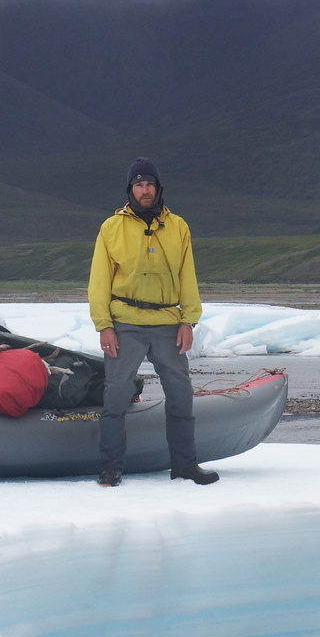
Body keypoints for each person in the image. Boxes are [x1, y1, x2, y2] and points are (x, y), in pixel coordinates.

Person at [87, 156, 218, 487]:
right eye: (139, 184)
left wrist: (188, 320)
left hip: (167, 321)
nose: (145, 191)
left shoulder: (178, 227)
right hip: (124, 322)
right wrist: (104, 324)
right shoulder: (111, 228)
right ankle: (111, 468)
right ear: (130, 189)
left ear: (159, 188)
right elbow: (99, 280)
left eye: (150, 184)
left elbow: (187, 276)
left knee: (180, 394)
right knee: (115, 397)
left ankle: (185, 465)